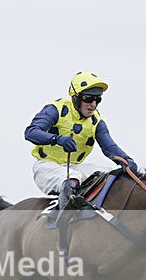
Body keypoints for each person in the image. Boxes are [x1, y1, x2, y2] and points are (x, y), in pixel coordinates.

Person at [25, 71, 139, 213]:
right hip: (46, 166)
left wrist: (126, 160)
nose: (93, 104)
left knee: (112, 177)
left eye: (98, 99)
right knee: (74, 178)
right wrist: (57, 139)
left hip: (74, 166)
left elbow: (109, 147)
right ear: (75, 98)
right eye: (88, 98)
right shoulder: (56, 109)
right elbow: (30, 132)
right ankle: (62, 218)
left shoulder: (96, 120)